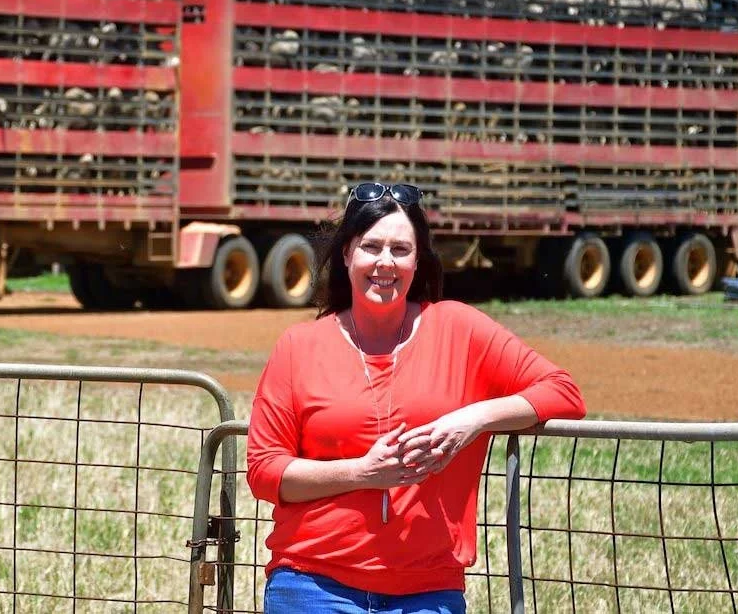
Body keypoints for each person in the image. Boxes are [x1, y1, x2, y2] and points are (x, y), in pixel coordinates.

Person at [245, 182, 586, 613]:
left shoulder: (458, 329)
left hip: (428, 590)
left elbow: (564, 392)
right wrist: (362, 473)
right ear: (347, 253)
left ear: (418, 259)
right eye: (371, 247)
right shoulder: (299, 346)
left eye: (400, 250)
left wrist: (475, 419)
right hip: (312, 584)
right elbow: (265, 471)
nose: (385, 262)